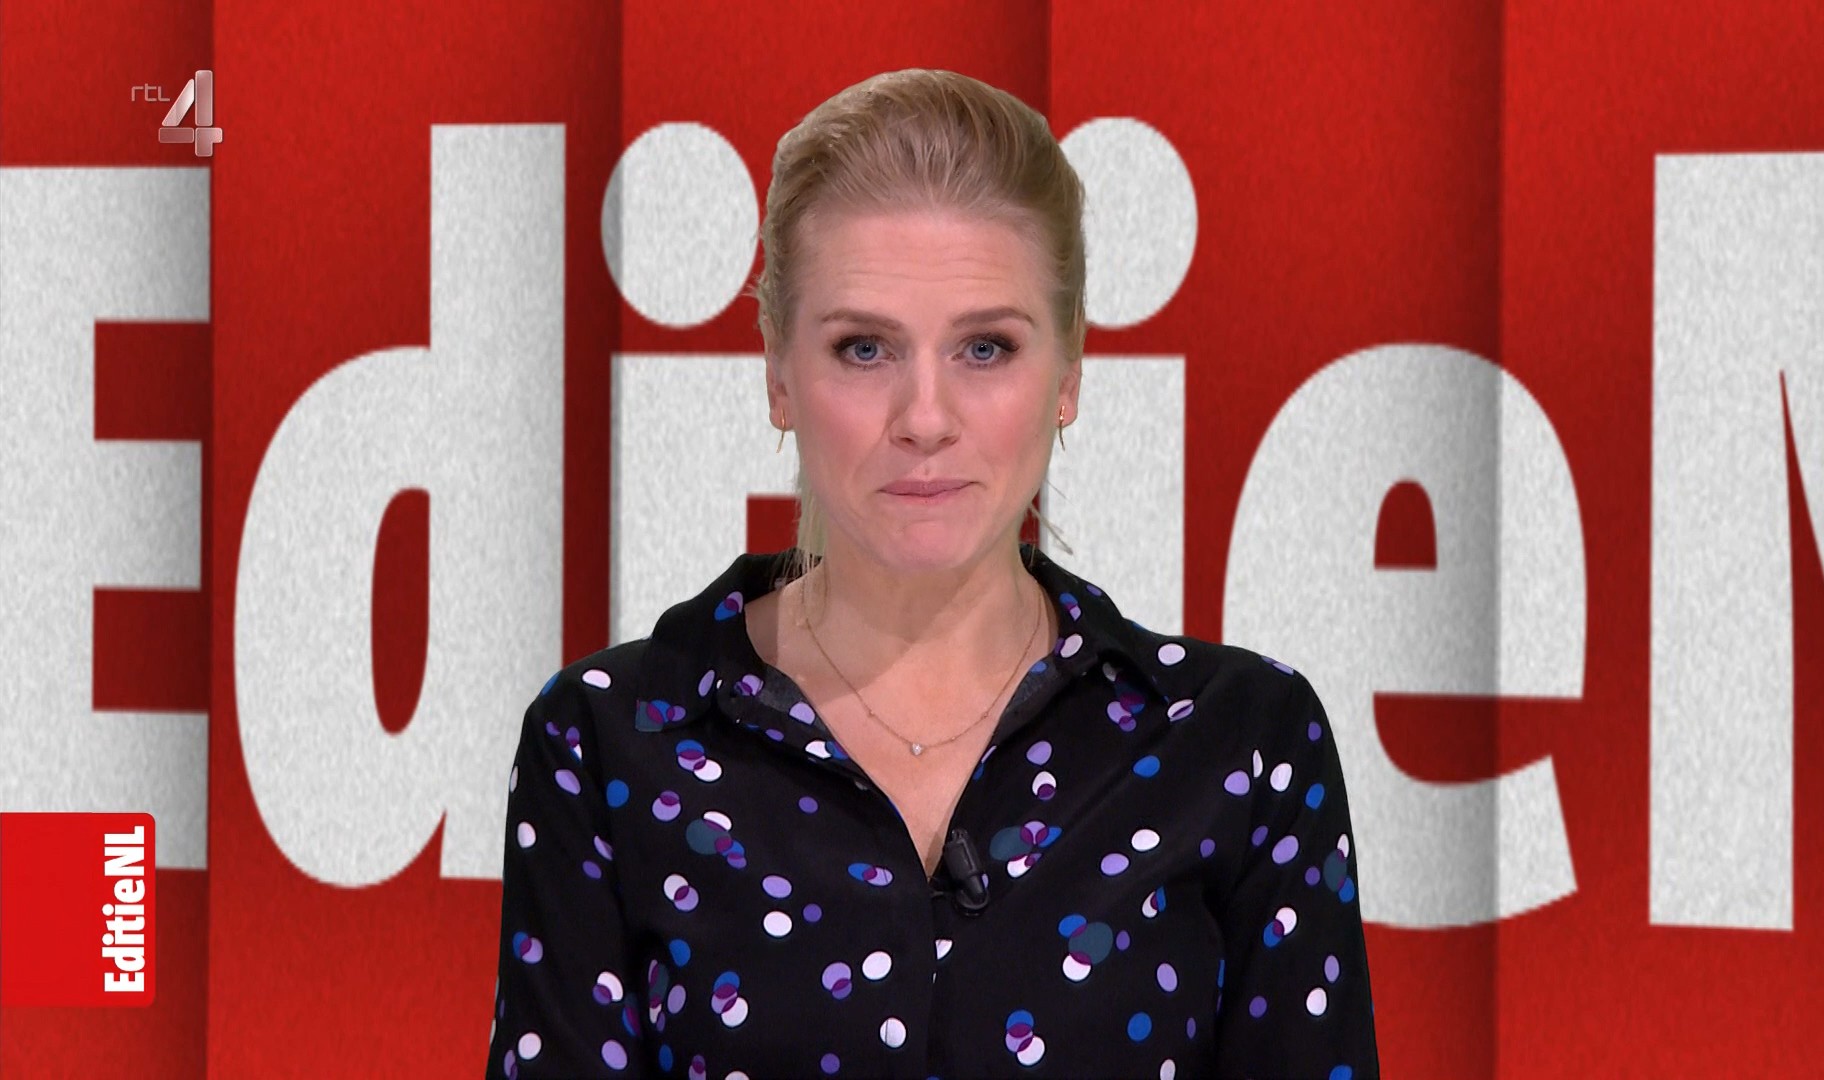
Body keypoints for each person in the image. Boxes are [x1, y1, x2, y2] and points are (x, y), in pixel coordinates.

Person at [486, 68, 1379, 1079]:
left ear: (1069, 371)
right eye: (864, 348)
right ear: (778, 373)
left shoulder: (1238, 743)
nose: (924, 417)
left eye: (985, 349)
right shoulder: (607, 742)